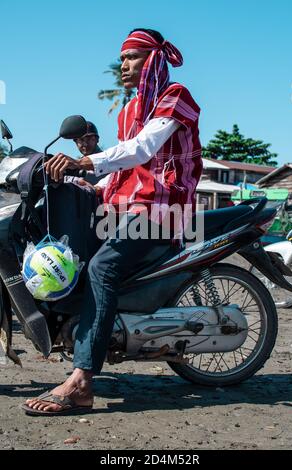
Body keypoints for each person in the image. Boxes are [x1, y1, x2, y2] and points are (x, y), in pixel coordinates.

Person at [23, 28, 203, 415]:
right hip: (126, 209)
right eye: (122, 58)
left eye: (133, 57)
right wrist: (76, 178)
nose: (124, 65)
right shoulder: (129, 110)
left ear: (153, 60)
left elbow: (142, 151)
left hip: (162, 210)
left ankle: (83, 380)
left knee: (102, 268)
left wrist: (85, 161)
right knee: (76, 253)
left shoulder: (175, 98)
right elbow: (121, 171)